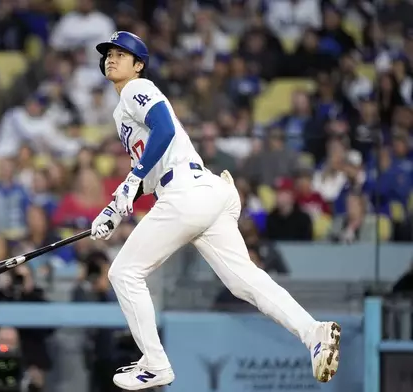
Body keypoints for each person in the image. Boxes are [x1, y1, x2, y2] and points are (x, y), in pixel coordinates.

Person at [90, 31, 341, 390]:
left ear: (139, 65)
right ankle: (313, 332)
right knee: (246, 283)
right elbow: (156, 164)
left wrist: (132, 180)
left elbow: (162, 128)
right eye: (108, 53)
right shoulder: (122, 110)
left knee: (124, 273)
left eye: (121, 53)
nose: (112, 58)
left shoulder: (135, 89)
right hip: (205, 191)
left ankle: (156, 363)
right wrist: (115, 208)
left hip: (187, 193)